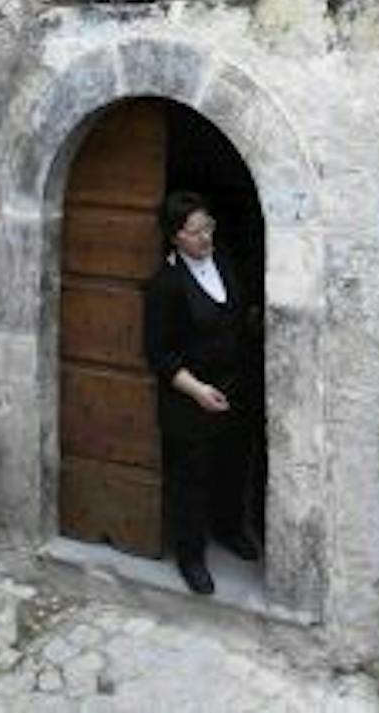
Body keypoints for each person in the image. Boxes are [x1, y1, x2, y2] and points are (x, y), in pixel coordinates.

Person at [142, 189, 259, 595]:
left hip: (232, 387)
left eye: (208, 227)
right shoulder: (165, 284)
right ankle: (191, 556)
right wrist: (197, 390)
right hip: (189, 397)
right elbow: (158, 354)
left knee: (232, 463)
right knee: (190, 478)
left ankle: (229, 529)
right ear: (175, 236)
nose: (205, 237)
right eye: (195, 232)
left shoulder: (224, 260)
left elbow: (239, 311)